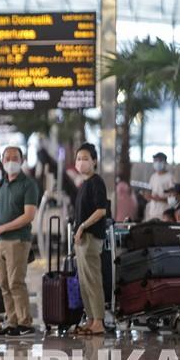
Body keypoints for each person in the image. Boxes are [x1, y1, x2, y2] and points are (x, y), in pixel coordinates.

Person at [0, 147, 39, 337]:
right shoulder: (3, 185)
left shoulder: (28, 185)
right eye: (7, 158)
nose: (11, 161)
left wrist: (3, 228)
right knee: (3, 283)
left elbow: (29, 216)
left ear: (22, 160)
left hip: (17, 241)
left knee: (16, 282)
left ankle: (25, 322)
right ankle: (12, 321)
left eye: (15, 158)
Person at [71, 143, 108, 336]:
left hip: (91, 238)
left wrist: (83, 226)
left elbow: (101, 210)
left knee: (93, 280)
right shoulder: (84, 184)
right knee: (84, 281)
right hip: (82, 239)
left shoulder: (96, 182)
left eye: (86, 158)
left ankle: (99, 321)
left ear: (94, 161)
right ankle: (91, 319)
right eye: (78, 159)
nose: (81, 162)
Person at [142, 152, 174, 221]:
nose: (157, 163)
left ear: (165, 162)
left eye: (160, 161)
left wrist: (159, 199)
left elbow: (173, 199)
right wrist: (147, 196)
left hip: (164, 213)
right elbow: (150, 193)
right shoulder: (153, 177)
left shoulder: (170, 177)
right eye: (156, 161)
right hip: (153, 212)